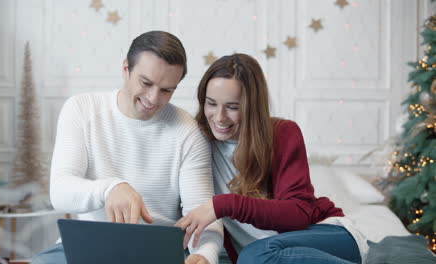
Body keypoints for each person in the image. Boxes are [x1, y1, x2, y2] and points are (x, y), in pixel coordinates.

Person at [32, 31, 223, 264]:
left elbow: (203, 215)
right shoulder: (81, 109)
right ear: (126, 69)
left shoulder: (188, 131)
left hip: (156, 251)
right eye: (146, 83)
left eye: (166, 90)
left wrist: (205, 255)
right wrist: (110, 188)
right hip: (87, 246)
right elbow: (60, 193)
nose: (153, 98)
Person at [176, 53, 368, 264]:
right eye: (211, 103)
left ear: (252, 107)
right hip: (266, 257)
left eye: (232, 107)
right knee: (252, 256)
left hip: (328, 236)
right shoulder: (196, 142)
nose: (219, 117)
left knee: (254, 255)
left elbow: (297, 214)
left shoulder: (283, 133)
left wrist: (223, 205)